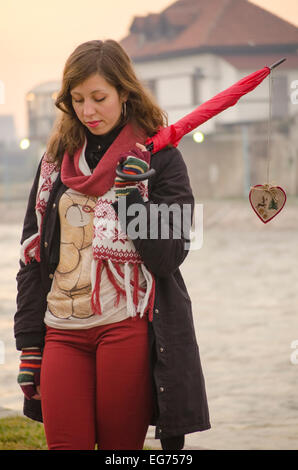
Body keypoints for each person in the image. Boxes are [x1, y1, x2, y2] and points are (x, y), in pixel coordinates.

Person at [14, 39, 210, 451]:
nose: (88, 111)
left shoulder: (163, 158)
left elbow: (170, 256)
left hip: (126, 330)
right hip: (61, 331)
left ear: (125, 93)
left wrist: (130, 195)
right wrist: (30, 344)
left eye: (99, 98)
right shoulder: (54, 160)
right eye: (78, 99)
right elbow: (31, 259)